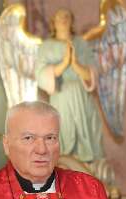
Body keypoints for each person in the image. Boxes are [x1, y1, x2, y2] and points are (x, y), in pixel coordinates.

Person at [35, 8, 103, 163]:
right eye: (59, 16)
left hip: (81, 97)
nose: (63, 19)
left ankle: (86, 164)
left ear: (72, 21)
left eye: (67, 16)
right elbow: (40, 75)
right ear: (53, 23)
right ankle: (65, 163)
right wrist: (64, 63)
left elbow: (92, 74)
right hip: (61, 95)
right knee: (63, 131)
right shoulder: (46, 46)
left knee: (85, 135)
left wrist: (75, 63)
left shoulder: (81, 44)